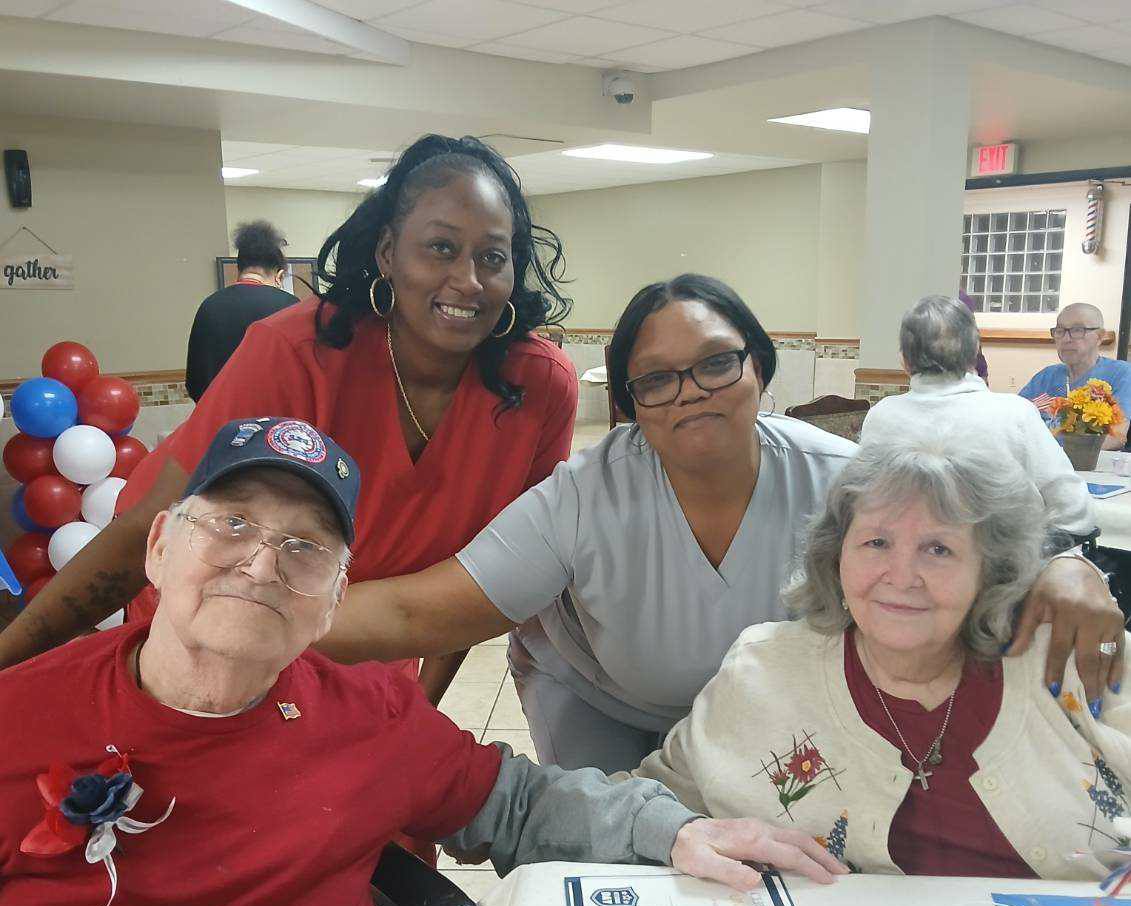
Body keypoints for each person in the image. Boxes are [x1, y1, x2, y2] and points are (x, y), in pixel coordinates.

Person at [0, 419, 845, 906]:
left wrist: (673, 828)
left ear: (332, 598)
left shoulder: (364, 710)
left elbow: (511, 799)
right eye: (229, 525)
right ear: (157, 546)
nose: (260, 566)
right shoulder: (22, 714)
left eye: (303, 548)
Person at [317, 275, 1122, 773]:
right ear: (627, 406)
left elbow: (960, 555)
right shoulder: (583, 495)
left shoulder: (836, 479)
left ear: (759, 368)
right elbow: (417, 611)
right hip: (602, 703)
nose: (691, 391)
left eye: (714, 362)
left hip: (773, 706)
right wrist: (257, 610)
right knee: (616, 848)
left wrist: (1063, 568)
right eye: (655, 380)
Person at [0, 134, 577, 709]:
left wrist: (416, 712)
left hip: (365, 665)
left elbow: (481, 584)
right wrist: (10, 661)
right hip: (210, 646)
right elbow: (145, 532)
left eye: (492, 257)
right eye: (441, 248)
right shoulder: (297, 352)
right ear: (387, 253)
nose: (469, 280)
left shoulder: (540, 387)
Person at [630, 433, 1130, 879]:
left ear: (989, 570)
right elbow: (652, 806)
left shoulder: (1069, 654)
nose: (902, 575)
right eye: (876, 542)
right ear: (836, 556)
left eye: (938, 549)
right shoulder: (762, 671)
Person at [861, 294, 1094, 543]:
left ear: (904, 362)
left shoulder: (881, 416)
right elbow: (1075, 512)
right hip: (1002, 571)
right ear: (975, 353)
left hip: (907, 563)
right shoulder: (1014, 413)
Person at [185, 220, 300, 402]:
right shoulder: (291, 307)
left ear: (238, 270)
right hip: (275, 422)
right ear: (279, 277)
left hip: (220, 422)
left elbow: (194, 381)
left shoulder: (210, 306)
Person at [1019, 302, 1131, 450]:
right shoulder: (1045, 377)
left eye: (1078, 330)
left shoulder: (1121, 374)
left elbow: (1115, 437)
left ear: (1100, 337)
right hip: (1038, 464)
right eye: (1060, 331)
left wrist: (1054, 453)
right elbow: (1014, 422)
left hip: (1087, 467)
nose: (1066, 339)